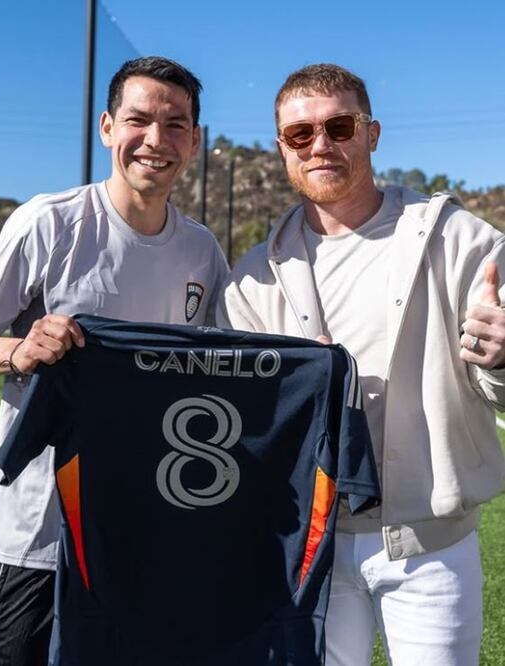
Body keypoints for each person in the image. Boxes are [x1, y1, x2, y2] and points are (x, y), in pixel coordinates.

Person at [219, 63, 505, 665]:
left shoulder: (459, 241)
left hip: (430, 551)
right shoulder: (251, 279)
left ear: (371, 133)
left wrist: (502, 359)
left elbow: (498, 388)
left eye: (339, 126)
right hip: (309, 546)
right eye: (300, 135)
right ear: (281, 149)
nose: (320, 144)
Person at [0, 56, 229, 665]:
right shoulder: (49, 223)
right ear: (108, 127)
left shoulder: (202, 251)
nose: (155, 141)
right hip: (42, 528)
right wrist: (17, 350)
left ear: (194, 139)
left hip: (147, 522)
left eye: (175, 124)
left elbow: (224, 368)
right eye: (139, 120)